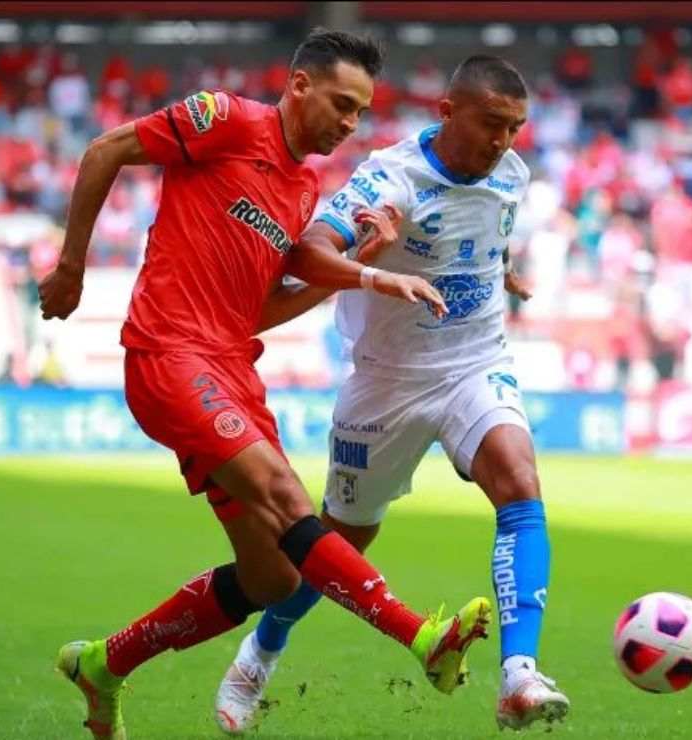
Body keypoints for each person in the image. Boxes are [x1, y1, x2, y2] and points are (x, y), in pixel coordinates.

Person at [38, 30, 489, 740]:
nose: (349, 124)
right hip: (168, 353)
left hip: (230, 368)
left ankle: (102, 664)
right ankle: (419, 638)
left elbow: (257, 310)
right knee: (285, 499)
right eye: (341, 104)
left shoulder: (304, 186)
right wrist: (71, 266)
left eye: (361, 112)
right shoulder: (225, 118)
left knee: (274, 577)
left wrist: (358, 258)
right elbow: (107, 151)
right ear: (299, 86)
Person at [212, 55, 568, 734]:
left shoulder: (511, 174)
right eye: (491, 123)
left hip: (474, 363)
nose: (503, 141)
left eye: (515, 128)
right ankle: (261, 650)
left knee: (520, 485)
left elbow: (488, 237)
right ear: (447, 111)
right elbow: (309, 250)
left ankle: (519, 675)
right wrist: (374, 272)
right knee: (342, 541)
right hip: (387, 385)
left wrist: (505, 272)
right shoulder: (390, 177)